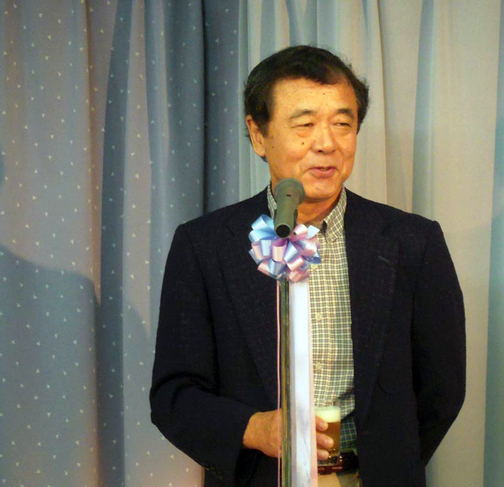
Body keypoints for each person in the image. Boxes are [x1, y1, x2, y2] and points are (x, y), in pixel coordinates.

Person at [150, 45, 465, 487]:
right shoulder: (204, 245)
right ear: (258, 135)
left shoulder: (413, 242)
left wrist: (388, 463)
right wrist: (255, 429)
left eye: (343, 124)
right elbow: (175, 395)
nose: (327, 143)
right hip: (258, 477)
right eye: (304, 124)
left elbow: (442, 389)